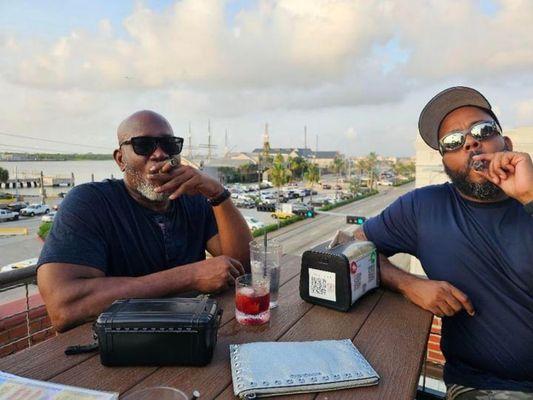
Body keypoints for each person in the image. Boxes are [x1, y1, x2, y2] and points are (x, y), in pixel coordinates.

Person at [354, 87, 533, 399]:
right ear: (445, 163)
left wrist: (530, 197)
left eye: (483, 130)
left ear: (507, 144)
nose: (470, 141)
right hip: (487, 387)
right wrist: (408, 283)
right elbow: (351, 247)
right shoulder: (423, 208)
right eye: (453, 141)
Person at [37, 110, 252, 332]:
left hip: (191, 334)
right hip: (119, 346)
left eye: (169, 144)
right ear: (120, 159)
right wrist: (190, 276)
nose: (159, 154)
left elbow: (244, 269)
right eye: (144, 145)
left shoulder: (192, 200)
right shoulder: (90, 203)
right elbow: (63, 307)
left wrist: (217, 193)